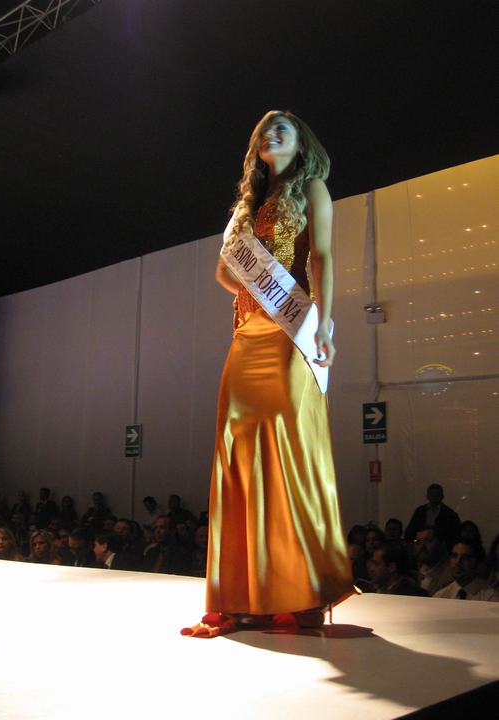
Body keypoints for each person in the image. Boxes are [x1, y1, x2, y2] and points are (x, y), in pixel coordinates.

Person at [183, 111, 354, 638]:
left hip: (289, 332)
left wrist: (324, 322)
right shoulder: (247, 205)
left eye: (283, 128)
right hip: (247, 336)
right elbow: (223, 272)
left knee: (286, 444)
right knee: (238, 451)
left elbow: (322, 256)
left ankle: (301, 586)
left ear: (302, 142)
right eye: (264, 130)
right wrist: (254, 292)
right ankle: (245, 595)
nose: (271, 133)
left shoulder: (313, 189)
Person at [434, 540, 499, 601]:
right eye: (454, 556)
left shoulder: (490, 597)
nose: (458, 562)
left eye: (465, 558)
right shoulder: (441, 596)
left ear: (478, 563)